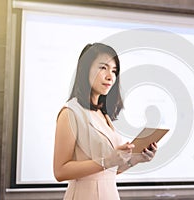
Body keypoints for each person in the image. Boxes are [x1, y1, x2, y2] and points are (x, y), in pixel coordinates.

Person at [53, 43, 157, 200]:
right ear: (84, 69)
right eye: (103, 68)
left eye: (114, 71)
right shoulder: (70, 112)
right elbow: (60, 171)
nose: (110, 76)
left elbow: (108, 170)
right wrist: (107, 160)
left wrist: (136, 159)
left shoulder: (102, 114)